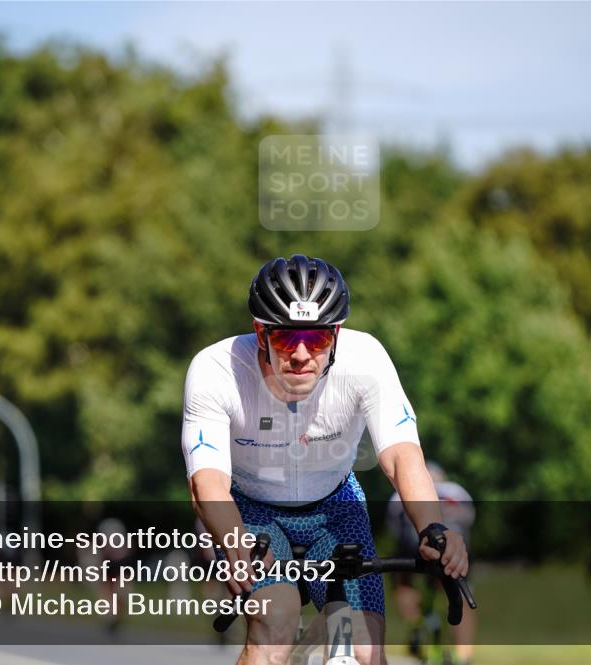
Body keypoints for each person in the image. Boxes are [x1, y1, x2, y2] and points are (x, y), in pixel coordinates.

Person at [181, 255, 469, 665]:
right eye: (284, 338)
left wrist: (432, 526)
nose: (300, 354)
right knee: (275, 623)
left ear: (336, 334)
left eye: (316, 339)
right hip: (254, 509)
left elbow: (402, 454)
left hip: (337, 507)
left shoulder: (365, 359)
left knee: (366, 650)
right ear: (260, 332)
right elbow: (206, 482)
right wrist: (234, 542)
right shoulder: (216, 369)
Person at [387, 462, 476, 665]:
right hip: (453, 540)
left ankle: (416, 623)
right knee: (461, 592)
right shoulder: (457, 490)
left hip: (414, 540)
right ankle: (464, 654)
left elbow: (394, 527)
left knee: (402, 582)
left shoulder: (400, 493)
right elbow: (470, 520)